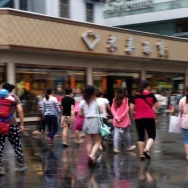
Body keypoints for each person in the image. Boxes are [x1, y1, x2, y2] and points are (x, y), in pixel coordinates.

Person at [0, 83, 27, 174]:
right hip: (12, 124)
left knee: (0, 146)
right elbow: (20, 111)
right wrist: (22, 124)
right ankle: (21, 165)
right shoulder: (15, 98)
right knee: (17, 145)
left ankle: (0, 168)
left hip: (0, 124)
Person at [130, 80, 160, 160]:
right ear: (147, 86)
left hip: (138, 118)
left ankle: (141, 154)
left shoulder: (136, 95)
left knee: (140, 136)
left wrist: (132, 116)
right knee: (152, 135)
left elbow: (131, 108)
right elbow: (157, 106)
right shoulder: (151, 95)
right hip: (149, 117)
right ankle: (146, 150)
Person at [79, 85, 103, 166]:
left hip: (86, 121)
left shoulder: (82, 102)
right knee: (98, 141)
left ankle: (90, 159)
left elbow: (80, 113)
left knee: (89, 142)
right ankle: (92, 156)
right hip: (94, 120)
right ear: (93, 93)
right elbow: (102, 111)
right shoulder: (95, 101)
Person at [111, 87, 136, 153]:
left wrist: (117, 117)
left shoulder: (114, 99)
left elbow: (113, 109)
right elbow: (126, 110)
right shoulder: (126, 99)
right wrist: (121, 117)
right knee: (127, 132)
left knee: (116, 133)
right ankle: (129, 146)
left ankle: (115, 148)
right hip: (125, 119)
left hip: (116, 119)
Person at [179, 86, 188, 161]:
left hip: (186, 121)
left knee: (186, 139)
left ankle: (187, 156)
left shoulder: (182, 100)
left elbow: (181, 110)